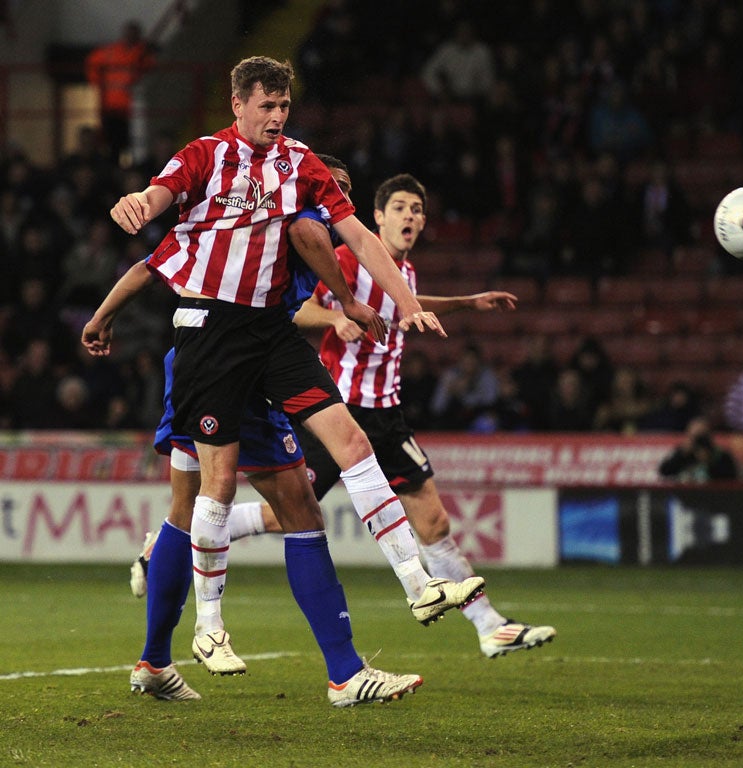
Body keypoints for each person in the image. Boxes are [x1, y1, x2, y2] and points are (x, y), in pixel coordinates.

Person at [100, 56, 455, 707]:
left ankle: (354, 663)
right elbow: (158, 208)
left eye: (284, 107)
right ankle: (189, 639)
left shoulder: (301, 168)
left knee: (309, 491)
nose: (276, 118)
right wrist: (138, 205)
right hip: (208, 339)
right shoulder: (205, 161)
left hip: (269, 339)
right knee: (199, 496)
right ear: (237, 105)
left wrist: (397, 298)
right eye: (265, 106)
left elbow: (352, 235)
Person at [294, 172, 555, 658]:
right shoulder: (349, 259)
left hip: (387, 416)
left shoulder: (403, 273)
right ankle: (175, 539)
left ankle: (489, 625)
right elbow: (297, 309)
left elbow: (406, 307)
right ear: (376, 215)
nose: (410, 216)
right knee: (283, 513)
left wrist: (467, 302)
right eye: (400, 207)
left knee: (433, 522)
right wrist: (334, 318)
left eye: (417, 209)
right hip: (342, 414)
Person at [85, 20, 156, 164]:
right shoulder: (112, 52)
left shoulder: (142, 54)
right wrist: (97, 83)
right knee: (113, 146)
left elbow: (150, 70)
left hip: (131, 110)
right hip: (112, 108)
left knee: (133, 144)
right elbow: (92, 63)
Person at [657, 417, 738, 483]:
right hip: (684, 496)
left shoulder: (720, 454)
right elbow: (664, 472)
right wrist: (681, 455)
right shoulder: (682, 452)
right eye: (694, 436)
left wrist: (709, 461)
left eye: (701, 436)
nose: (698, 441)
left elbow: (731, 479)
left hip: (712, 497)